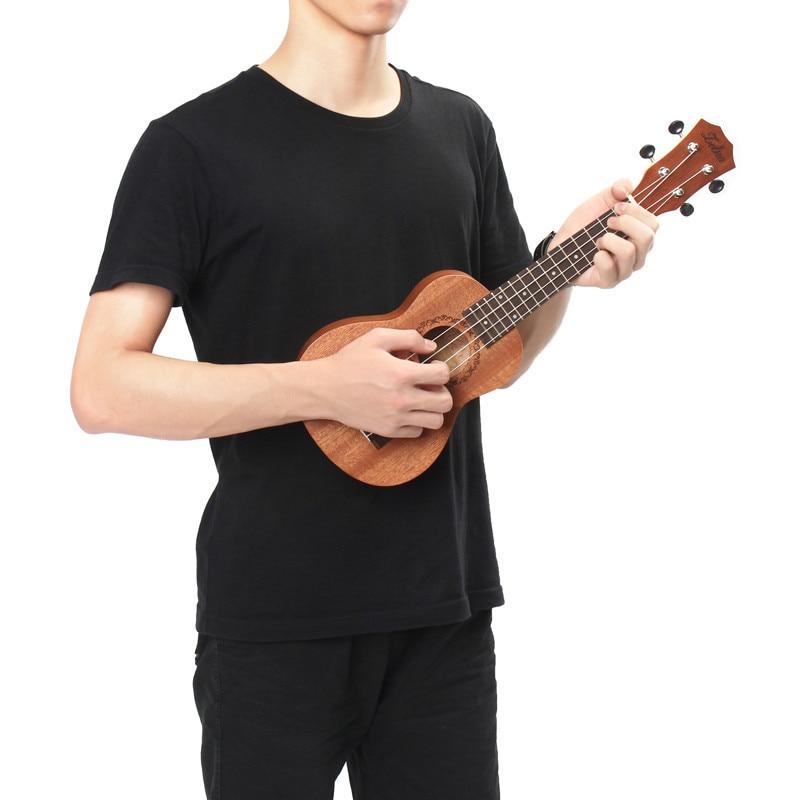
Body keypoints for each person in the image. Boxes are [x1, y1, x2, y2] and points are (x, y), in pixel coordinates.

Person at [71, 1, 658, 797]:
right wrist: (325, 388)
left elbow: (493, 359)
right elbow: (101, 387)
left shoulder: (461, 128)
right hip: (273, 624)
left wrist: (562, 262)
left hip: (444, 616)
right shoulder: (192, 146)